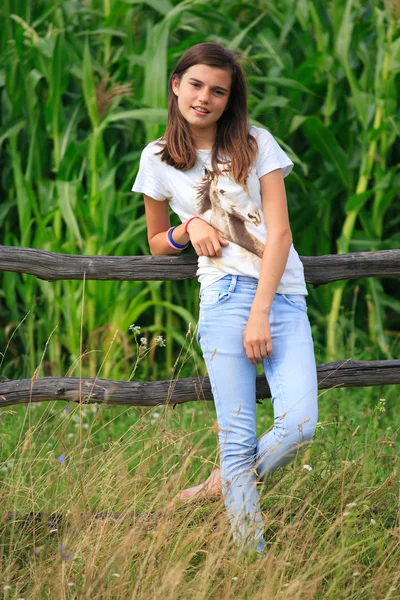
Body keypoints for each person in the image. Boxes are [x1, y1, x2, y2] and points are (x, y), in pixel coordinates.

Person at [131, 42, 318, 557]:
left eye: (218, 90)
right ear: (176, 85)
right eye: (195, 85)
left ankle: (221, 484)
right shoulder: (157, 158)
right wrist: (188, 226)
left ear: (229, 98)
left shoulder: (256, 143)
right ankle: (250, 560)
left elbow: (279, 234)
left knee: (301, 425)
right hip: (221, 298)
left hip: (279, 298)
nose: (204, 98)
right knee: (236, 441)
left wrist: (260, 313)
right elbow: (154, 242)